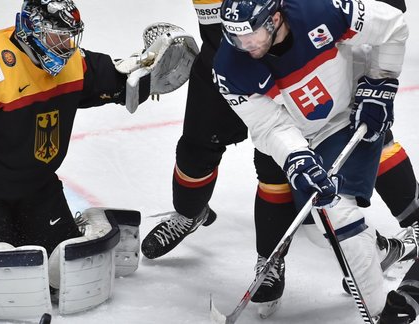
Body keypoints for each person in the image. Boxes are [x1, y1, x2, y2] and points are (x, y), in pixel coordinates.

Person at [141, 0, 419, 317]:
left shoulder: (316, 12)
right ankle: (191, 215)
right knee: (202, 153)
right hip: (252, 81)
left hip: (328, 85)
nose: (246, 44)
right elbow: (268, 124)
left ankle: (388, 243)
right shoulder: (233, 59)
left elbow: (388, 22)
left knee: (332, 183)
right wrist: (296, 156)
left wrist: (380, 79)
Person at [0, 0, 192, 256]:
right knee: (1, 262)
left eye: (70, 38)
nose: (64, 48)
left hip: (35, 191)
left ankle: (73, 225)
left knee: (62, 260)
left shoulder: (72, 62)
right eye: (55, 38)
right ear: (28, 29)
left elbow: (114, 80)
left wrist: (148, 71)